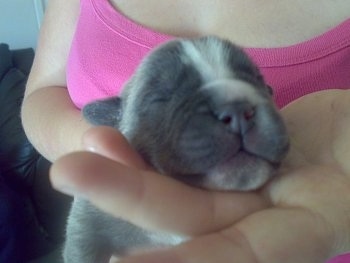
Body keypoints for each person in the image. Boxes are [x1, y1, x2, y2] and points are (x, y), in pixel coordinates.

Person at [21, 0, 350, 262]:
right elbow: (42, 94)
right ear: (115, 119)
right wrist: (112, 158)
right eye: (161, 98)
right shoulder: (104, 197)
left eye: (253, 83)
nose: (234, 112)